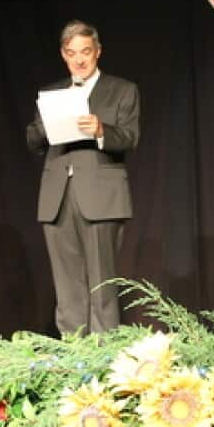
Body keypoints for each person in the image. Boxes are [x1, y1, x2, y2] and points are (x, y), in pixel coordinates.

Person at [26, 21, 140, 335]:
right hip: (58, 194)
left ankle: (103, 355)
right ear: (64, 55)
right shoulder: (52, 93)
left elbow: (130, 137)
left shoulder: (122, 89)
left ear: (98, 52)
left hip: (100, 194)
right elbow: (32, 140)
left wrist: (102, 130)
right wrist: (45, 127)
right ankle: (73, 353)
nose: (79, 60)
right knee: (67, 283)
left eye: (86, 52)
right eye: (72, 53)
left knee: (102, 282)